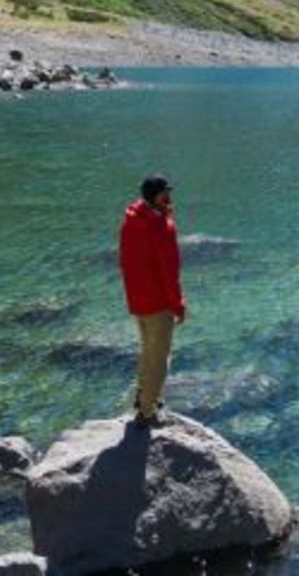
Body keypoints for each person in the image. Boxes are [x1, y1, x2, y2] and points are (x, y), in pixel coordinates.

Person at [118, 173, 186, 426]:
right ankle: (147, 412)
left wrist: (133, 297)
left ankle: (141, 396)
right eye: (165, 193)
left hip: (138, 301)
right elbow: (169, 272)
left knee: (147, 351)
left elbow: (124, 262)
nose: (169, 197)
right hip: (158, 303)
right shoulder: (161, 227)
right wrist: (178, 305)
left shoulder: (131, 222)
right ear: (155, 197)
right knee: (159, 358)